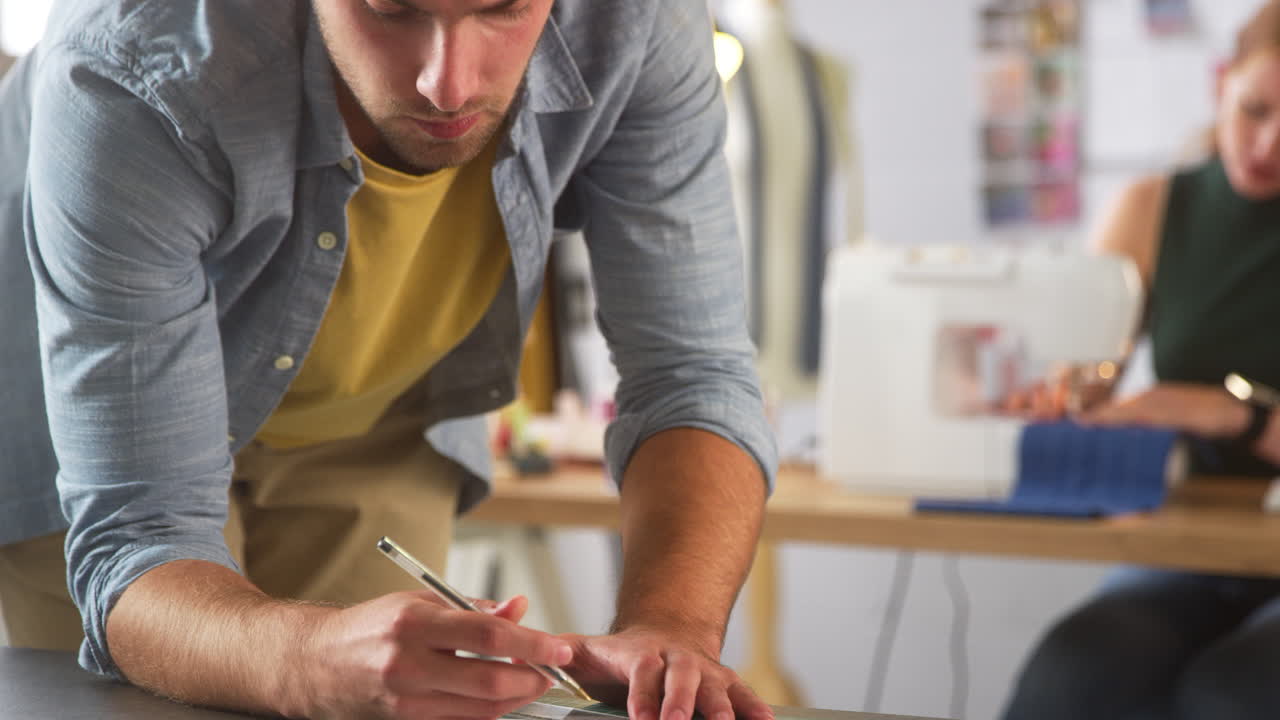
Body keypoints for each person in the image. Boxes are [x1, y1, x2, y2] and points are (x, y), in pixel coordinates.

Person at [0, 2, 779, 720]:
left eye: (503, 7)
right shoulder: (131, 64)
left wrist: (668, 633)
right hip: (88, 417)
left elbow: (690, 375)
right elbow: (138, 541)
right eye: (394, 9)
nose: (448, 85)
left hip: (381, 417)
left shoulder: (639, 22)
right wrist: (304, 661)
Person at [1001, 3, 1280, 718]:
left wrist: (1233, 413)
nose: (1268, 144)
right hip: (1199, 540)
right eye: (1254, 110)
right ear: (1220, 83)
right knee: (1073, 675)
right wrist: (1068, 392)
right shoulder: (1153, 209)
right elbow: (1085, 373)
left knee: (1232, 695)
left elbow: (1217, 410)